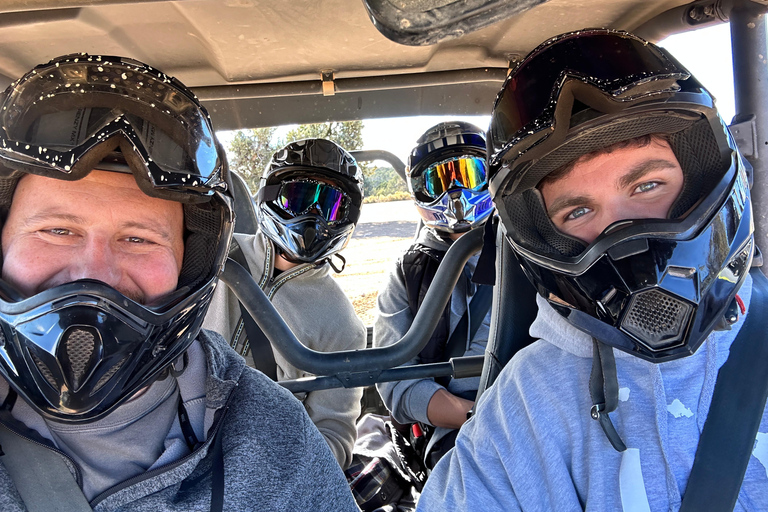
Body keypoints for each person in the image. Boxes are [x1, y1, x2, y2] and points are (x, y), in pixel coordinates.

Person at [417, 29, 768, 510]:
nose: (625, 236)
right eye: (578, 211)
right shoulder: (523, 409)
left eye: (648, 185)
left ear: (703, 179)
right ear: (545, 237)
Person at [0, 54, 359, 511]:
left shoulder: (276, 435)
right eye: (57, 230)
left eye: (138, 238)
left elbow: (334, 429)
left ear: (190, 264)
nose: (94, 273)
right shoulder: (238, 259)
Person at [203, 138, 367, 469]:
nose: (312, 216)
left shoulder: (342, 324)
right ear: (270, 197)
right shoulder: (210, 254)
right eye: (299, 199)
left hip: (262, 466)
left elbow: (334, 437)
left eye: (330, 206)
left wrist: (269, 470)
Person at [373, 121, 495, 469]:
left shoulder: (531, 251)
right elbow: (395, 381)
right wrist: (478, 418)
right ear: (419, 192)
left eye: (469, 175)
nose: (455, 193)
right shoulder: (406, 273)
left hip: (539, 405)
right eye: (438, 181)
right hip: (455, 428)